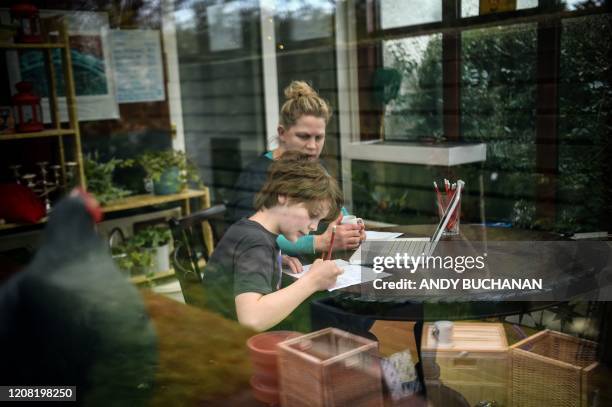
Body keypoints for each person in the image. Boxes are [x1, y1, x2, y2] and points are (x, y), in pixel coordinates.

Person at [203, 151, 344, 331]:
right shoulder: (256, 244)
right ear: (284, 195)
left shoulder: (248, 229)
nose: (314, 227)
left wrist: (275, 260)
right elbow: (251, 319)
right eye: (312, 215)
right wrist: (313, 280)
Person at [228, 80, 365, 256]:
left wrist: (351, 231)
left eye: (319, 138)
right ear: (282, 133)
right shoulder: (256, 174)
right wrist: (317, 243)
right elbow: (250, 233)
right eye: (304, 136)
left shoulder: (317, 168)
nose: (313, 146)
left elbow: (338, 213)